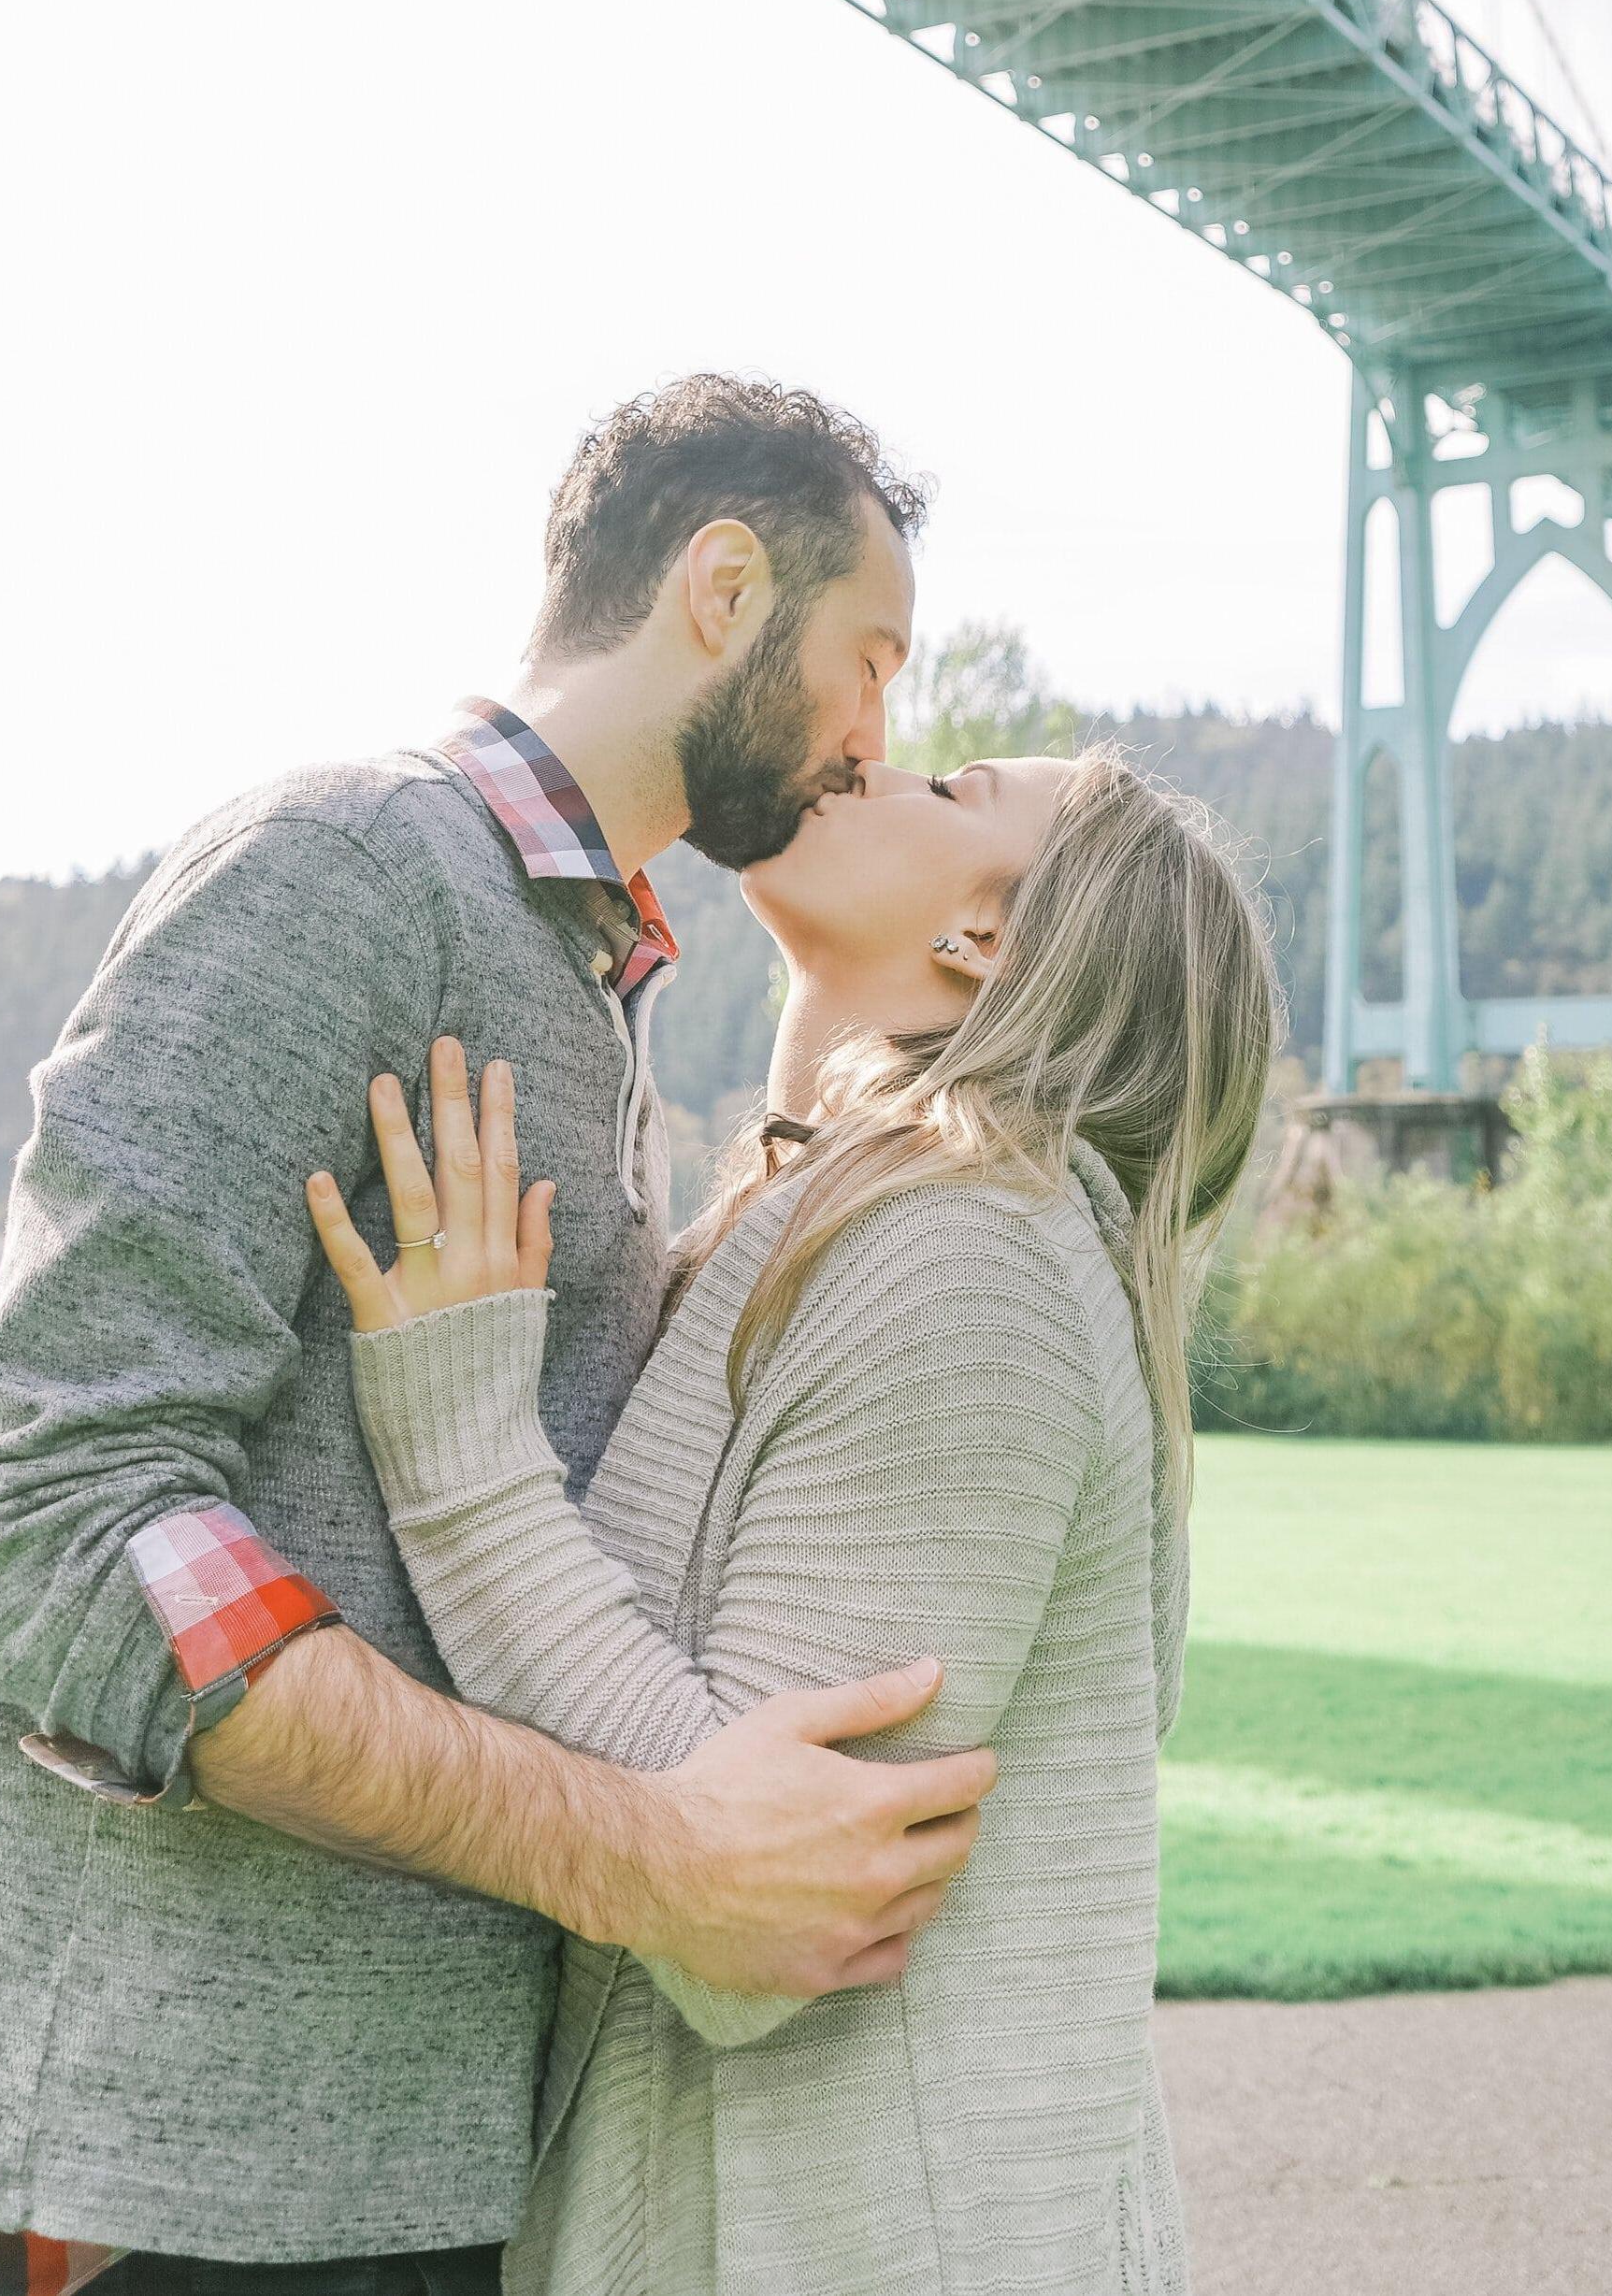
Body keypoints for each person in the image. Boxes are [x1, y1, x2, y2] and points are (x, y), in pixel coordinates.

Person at [0, 377, 1000, 2295]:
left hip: (431, 2172)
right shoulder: (344, 868)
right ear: (722, 588)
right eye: (864, 658)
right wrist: (640, 1853)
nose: (872, 736)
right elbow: (49, 1521)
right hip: (178, 2173)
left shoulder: (591, 972)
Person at [310, 743, 1281, 2296]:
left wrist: (459, 1440)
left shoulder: (968, 1260)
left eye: (954, 786)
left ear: (986, 939)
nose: (876, 761)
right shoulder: (844, 1211)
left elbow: (754, 1923)